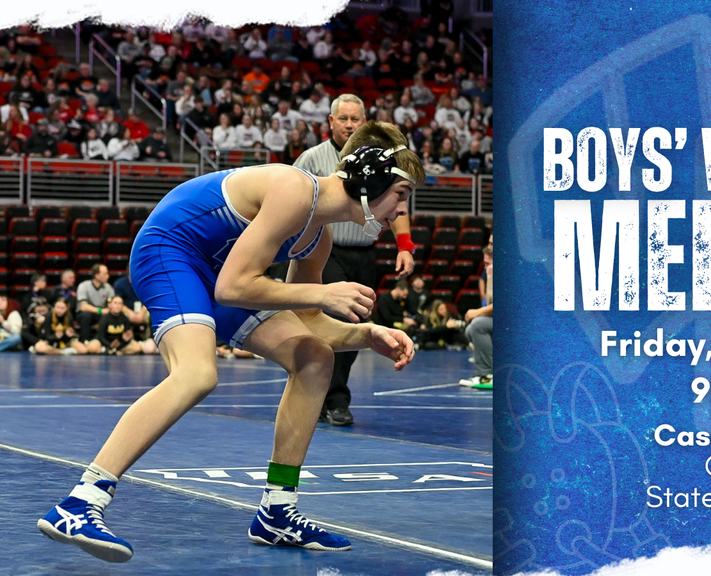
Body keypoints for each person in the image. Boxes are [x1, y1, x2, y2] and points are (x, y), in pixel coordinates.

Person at [39, 121, 424, 563]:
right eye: (400, 195)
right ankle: (80, 502)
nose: (401, 212)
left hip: (220, 273)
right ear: (370, 182)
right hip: (171, 251)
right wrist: (321, 293)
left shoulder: (318, 237)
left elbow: (310, 324)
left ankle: (277, 513)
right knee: (198, 374)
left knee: (313, 357)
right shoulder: (294, 189)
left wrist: (366, 334)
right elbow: (234, 288)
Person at [294, 94, 416, 427]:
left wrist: (404, 245)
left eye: (355, 119)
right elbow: (292, 202)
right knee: (334, 317)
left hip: (364, 252)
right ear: (330, 122)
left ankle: (330, 396)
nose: (349, 125)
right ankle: (326, 397)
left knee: (354, 323)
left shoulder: (381, 160)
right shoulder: (312, 158)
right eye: (343, 119)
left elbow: (399, 201)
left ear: (365, 123)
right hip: (322, 251)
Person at [459, 235, 493, 389]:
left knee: (478, 325)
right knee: (470, 330)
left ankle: (487, 375)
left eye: (492, 243)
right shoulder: (491, 273)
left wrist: (477, 312)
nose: (490, 246)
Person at [75, 264, 115, 342]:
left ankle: (105, 341)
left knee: (111, 314)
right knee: (86, 315)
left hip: (101, 313)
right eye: (105, 274)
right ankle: (85, 340)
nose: (108, 276)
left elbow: (112, 303)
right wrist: (100, 310)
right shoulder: (84, 286)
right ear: (96, 276)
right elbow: (83, 307)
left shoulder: (108, 287)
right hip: (85, 313)